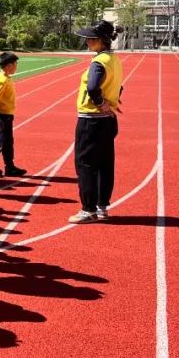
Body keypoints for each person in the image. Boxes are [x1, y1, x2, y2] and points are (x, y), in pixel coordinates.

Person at [69, 21, 124, 224]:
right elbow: (119, 85)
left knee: (85, 164)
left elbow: (93, 87)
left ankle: (88, 209)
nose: (87, 42)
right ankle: (102, 207)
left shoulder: (99, 62)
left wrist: (101, 103)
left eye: (91, 39)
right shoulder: (114, 60)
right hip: (107, 122)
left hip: (91, 121)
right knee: (104, 164)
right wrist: (112, 100)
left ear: (101, 40)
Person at [0, 52, 27, 177]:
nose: (17, 66)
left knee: (7, 142)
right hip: (1, 116)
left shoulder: (7, 78)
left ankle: (9, 166)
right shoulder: (2, 81)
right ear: (9, 65)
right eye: (15, 64)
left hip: (7, 115)